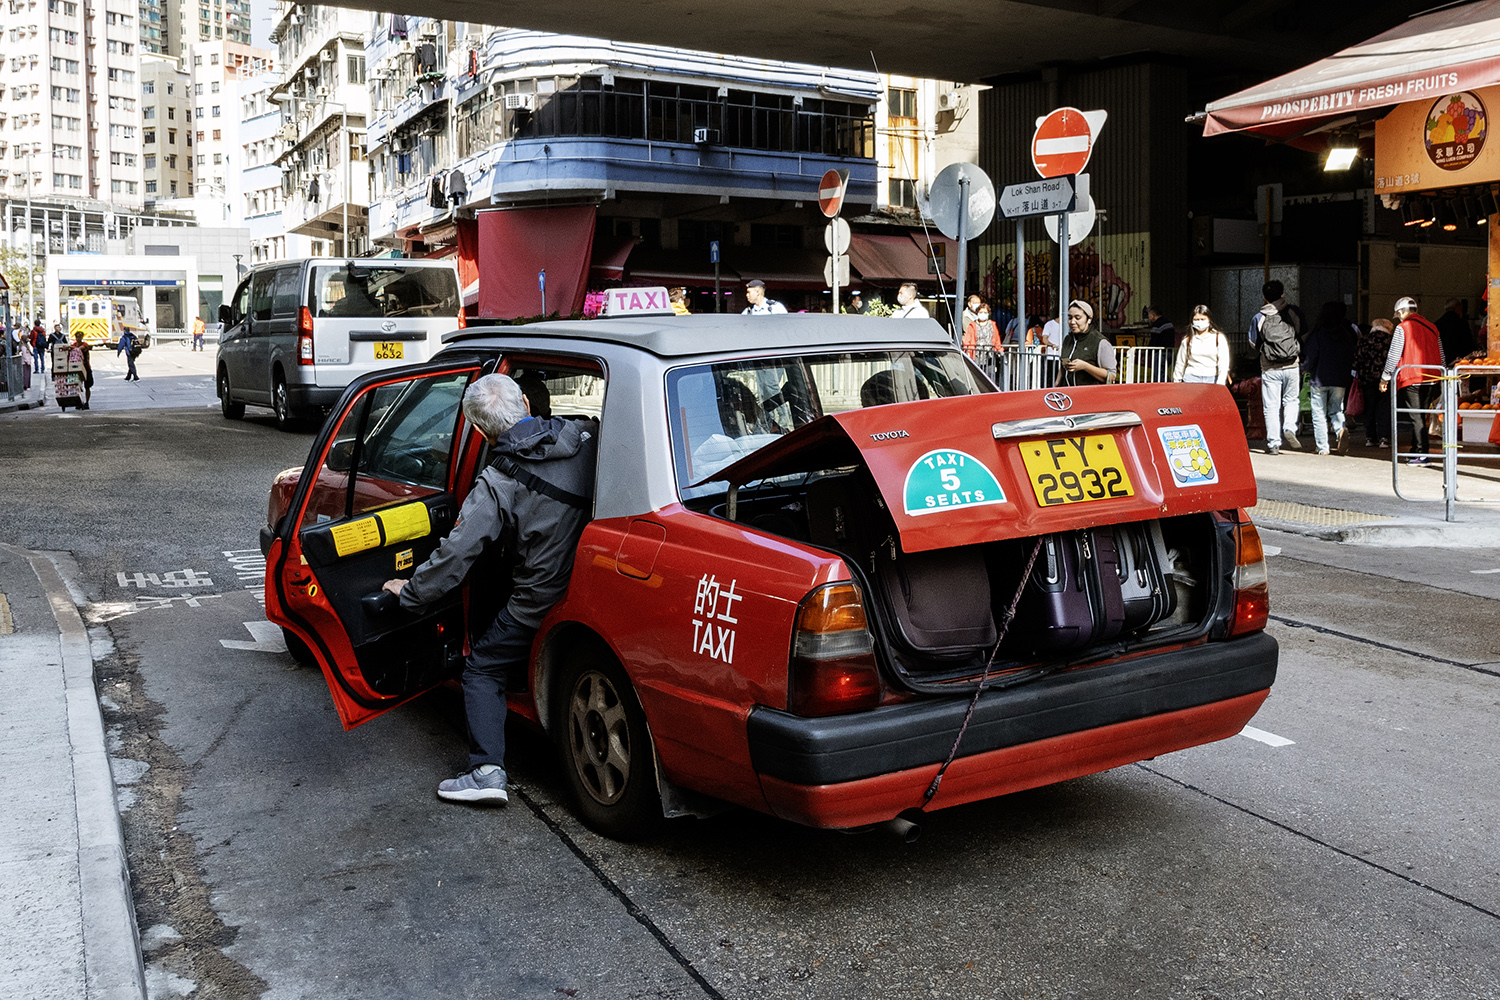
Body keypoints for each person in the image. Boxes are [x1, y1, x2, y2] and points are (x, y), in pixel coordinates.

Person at [382, 373, 598, 805]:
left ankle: (485, 773)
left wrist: (410, 593)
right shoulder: (587, 435)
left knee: (481, 668)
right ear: (525, 400)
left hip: (540, 597)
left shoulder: (497, 482)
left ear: (478, 431)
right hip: (592, 584)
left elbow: (455, 556)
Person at [1380, 296, 1443, 465]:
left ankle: (1422, 454)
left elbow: (1394, 354)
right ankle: (1416, 450)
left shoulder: (1403, 328)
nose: (1398, 317)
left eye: (1398, 314)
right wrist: (1442, 375)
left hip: (1412, 377)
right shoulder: (1432, 327)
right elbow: (1441, 353)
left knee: (1416, 417)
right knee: (1422, 415)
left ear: (1401, 312)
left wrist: (1385, 377)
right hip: (1433, 376)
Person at [1247, 279, 1304, 455]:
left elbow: (1252, 342)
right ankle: (1289, 427)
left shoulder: (1259, 317)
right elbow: (1303, 331)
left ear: (1264, 297)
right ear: (1282, 294)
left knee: (1271, 405)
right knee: (1291, 400)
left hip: (1270, 367)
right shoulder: (1293, 312)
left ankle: (1273, 443)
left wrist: (1267, 350)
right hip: (1291, 365)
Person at [1301, 301, 1357, 455]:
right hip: (1339, 379)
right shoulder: (1346, 334)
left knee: (1318, 412)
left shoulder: (1318, 334)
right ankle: (1340, 430)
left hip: (1319, 378)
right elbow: (1351, 355)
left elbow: (1311, 355)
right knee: (1336, 409)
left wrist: (1304, 369)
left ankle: (1322, 446)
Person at [1056, 299, 1116, 386]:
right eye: (1070, 318)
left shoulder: (1100, 342)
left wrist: (1085, 366)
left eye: (1077, 318)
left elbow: (1111, 375)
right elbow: (1062, 368)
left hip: (1090, 395)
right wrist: (1056, 385)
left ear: (1089, 319)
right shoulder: (1068, 339)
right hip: (1067, 395)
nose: (1072, 322)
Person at [1355, 319, 1394, 448]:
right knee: (1384, 407)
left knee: (1369, 408)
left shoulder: (1364, 340)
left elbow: (1357, 359)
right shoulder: (1390, 340)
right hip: (1386, 379)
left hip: (1367, 379)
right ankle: (1384, 438)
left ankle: (1370, 437)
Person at [1171, 305, 1231, 385]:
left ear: (1209, 320)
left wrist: (1221, 381)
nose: (1199, 322)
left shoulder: (1219, 338)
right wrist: (1176, 381)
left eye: (1203, 319)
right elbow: (1180, 363)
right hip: (1190, 379)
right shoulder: (1187, 340)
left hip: (1212, 378)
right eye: (1196, 319)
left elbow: (1224, 362)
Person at [1436, 298, 1475, 364]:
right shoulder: (1462, 323)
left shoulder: (1437, 323)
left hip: (1442, 360)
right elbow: (1468, 343)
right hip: (1460, 361)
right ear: (1457, 306)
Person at [68, 329, 93, 408]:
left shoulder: (84, 344)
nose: (79, 338)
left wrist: (69, 347)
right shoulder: (74, 344)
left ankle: (87, 402)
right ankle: (79, 402)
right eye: (77, 337)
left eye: (80, 337)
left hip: (85, 367)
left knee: (87, 386)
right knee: (77, 386)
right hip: (76, 368)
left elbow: (80, 348)